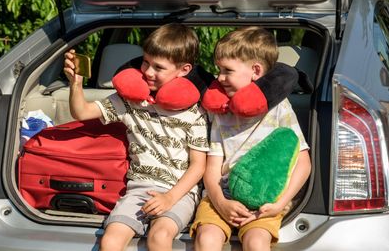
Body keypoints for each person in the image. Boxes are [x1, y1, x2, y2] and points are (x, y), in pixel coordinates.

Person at [63, 23, 209, 251]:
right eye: (146, 62)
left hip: (179, 193)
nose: (148, 72)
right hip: (138, 189)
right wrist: (76, 84)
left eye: (159, 68)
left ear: (184, 70)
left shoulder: (194, 112)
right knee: (110, 241)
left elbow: (199, 166)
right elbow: (82, 112)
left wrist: (170, 198)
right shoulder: (129, 101)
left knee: (159, 237)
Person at [190, 27, 311, 251]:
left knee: (256, 243)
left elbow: (303, 163)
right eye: (218, 70)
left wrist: (279, 205)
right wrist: (221, 203)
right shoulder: (221, 112)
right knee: (206, 239)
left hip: (265, 200)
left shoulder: (280, 109)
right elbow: (212, 167)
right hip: (221, 195)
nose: (219, 77)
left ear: (255, 70)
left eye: (227, 71)